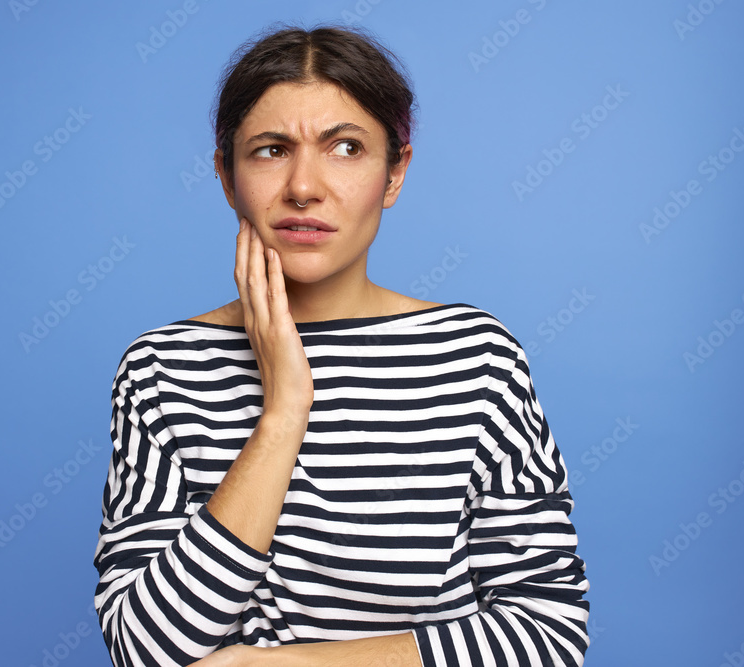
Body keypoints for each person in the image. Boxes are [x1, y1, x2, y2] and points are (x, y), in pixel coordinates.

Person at [94, 23, 589, 667]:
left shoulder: (477, 359)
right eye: (271, 150)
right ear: (226, 175)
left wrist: (283, 665)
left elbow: (548, 635)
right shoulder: (162, 370)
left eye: (346, 148)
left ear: (394, 173)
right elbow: (144, 649)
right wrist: (283, 413)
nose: (304, 187)